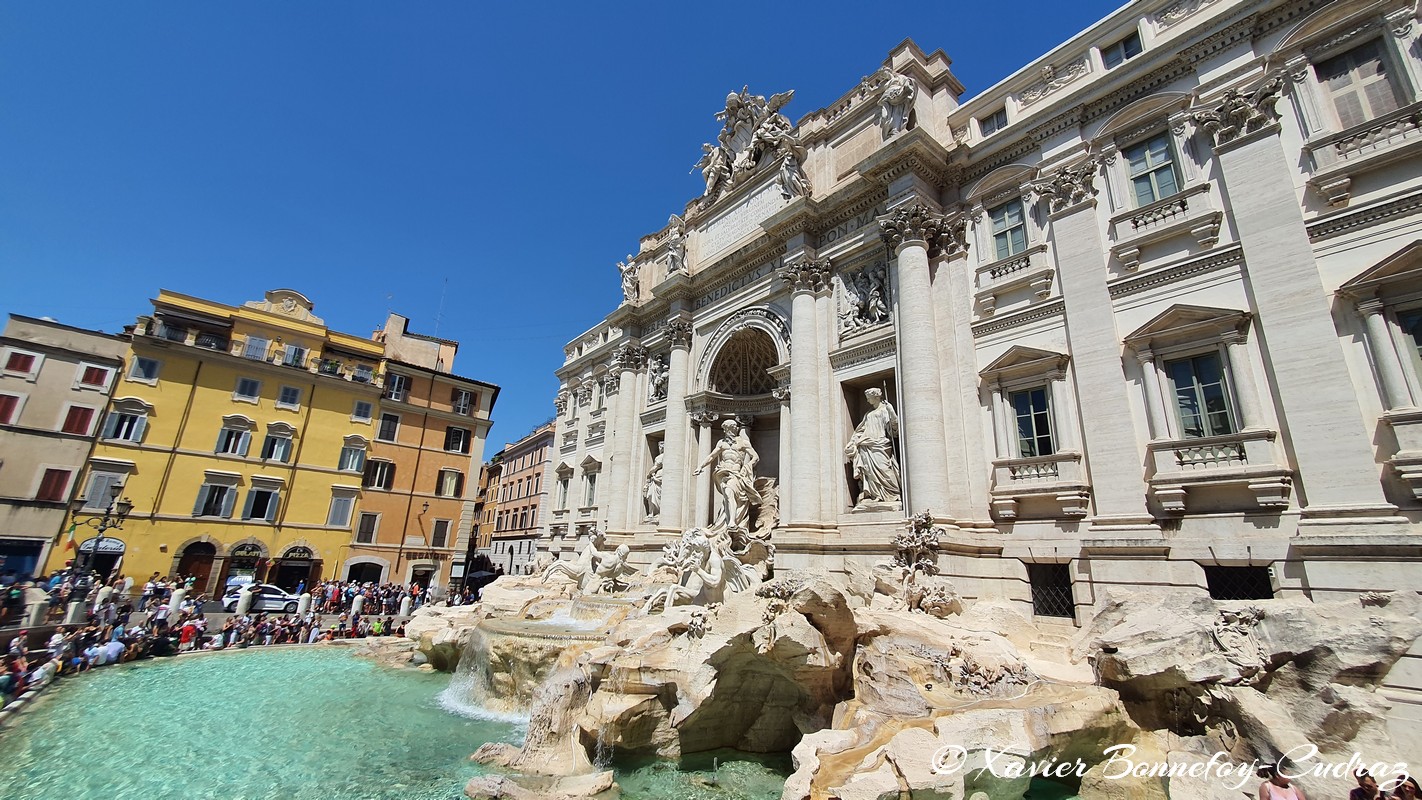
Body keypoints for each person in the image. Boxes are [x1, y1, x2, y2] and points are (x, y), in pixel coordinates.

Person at [693, 419, 760, 532]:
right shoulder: (721, 443)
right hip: (723, 473)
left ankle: (732, 521)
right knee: (728, 495)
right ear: (726, 428)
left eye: (736, 426)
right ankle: (730, 521)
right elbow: (711, 456)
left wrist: (746, 466)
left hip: (736, 474)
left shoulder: (743, 442)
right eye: (733, 427)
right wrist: (700, 466)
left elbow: (755, 457)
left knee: (730, 494)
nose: (736, 428)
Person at [844, 388, 902, 509]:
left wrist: (891, 411)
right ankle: (874, 495)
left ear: (876, 397)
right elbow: (860, 430)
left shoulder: (886, 409)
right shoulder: (868, 413)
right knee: (869, 472)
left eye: (868, 397)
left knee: (884, 469)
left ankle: (892, 494)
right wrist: (853, 442)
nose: (867, 400)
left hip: (880, 443)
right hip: (866, 444)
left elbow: (894, 426)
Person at [643, 442, 665, 521]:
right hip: (655, 477)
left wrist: (649, 473)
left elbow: (656, 466)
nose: (659, 448)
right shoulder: (659, 456)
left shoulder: (661, 456)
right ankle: (652, 513)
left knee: (657, 495)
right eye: (659, 446)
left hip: (659, 477)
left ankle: (656, 512)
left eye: (660, 447)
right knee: (650, 495)